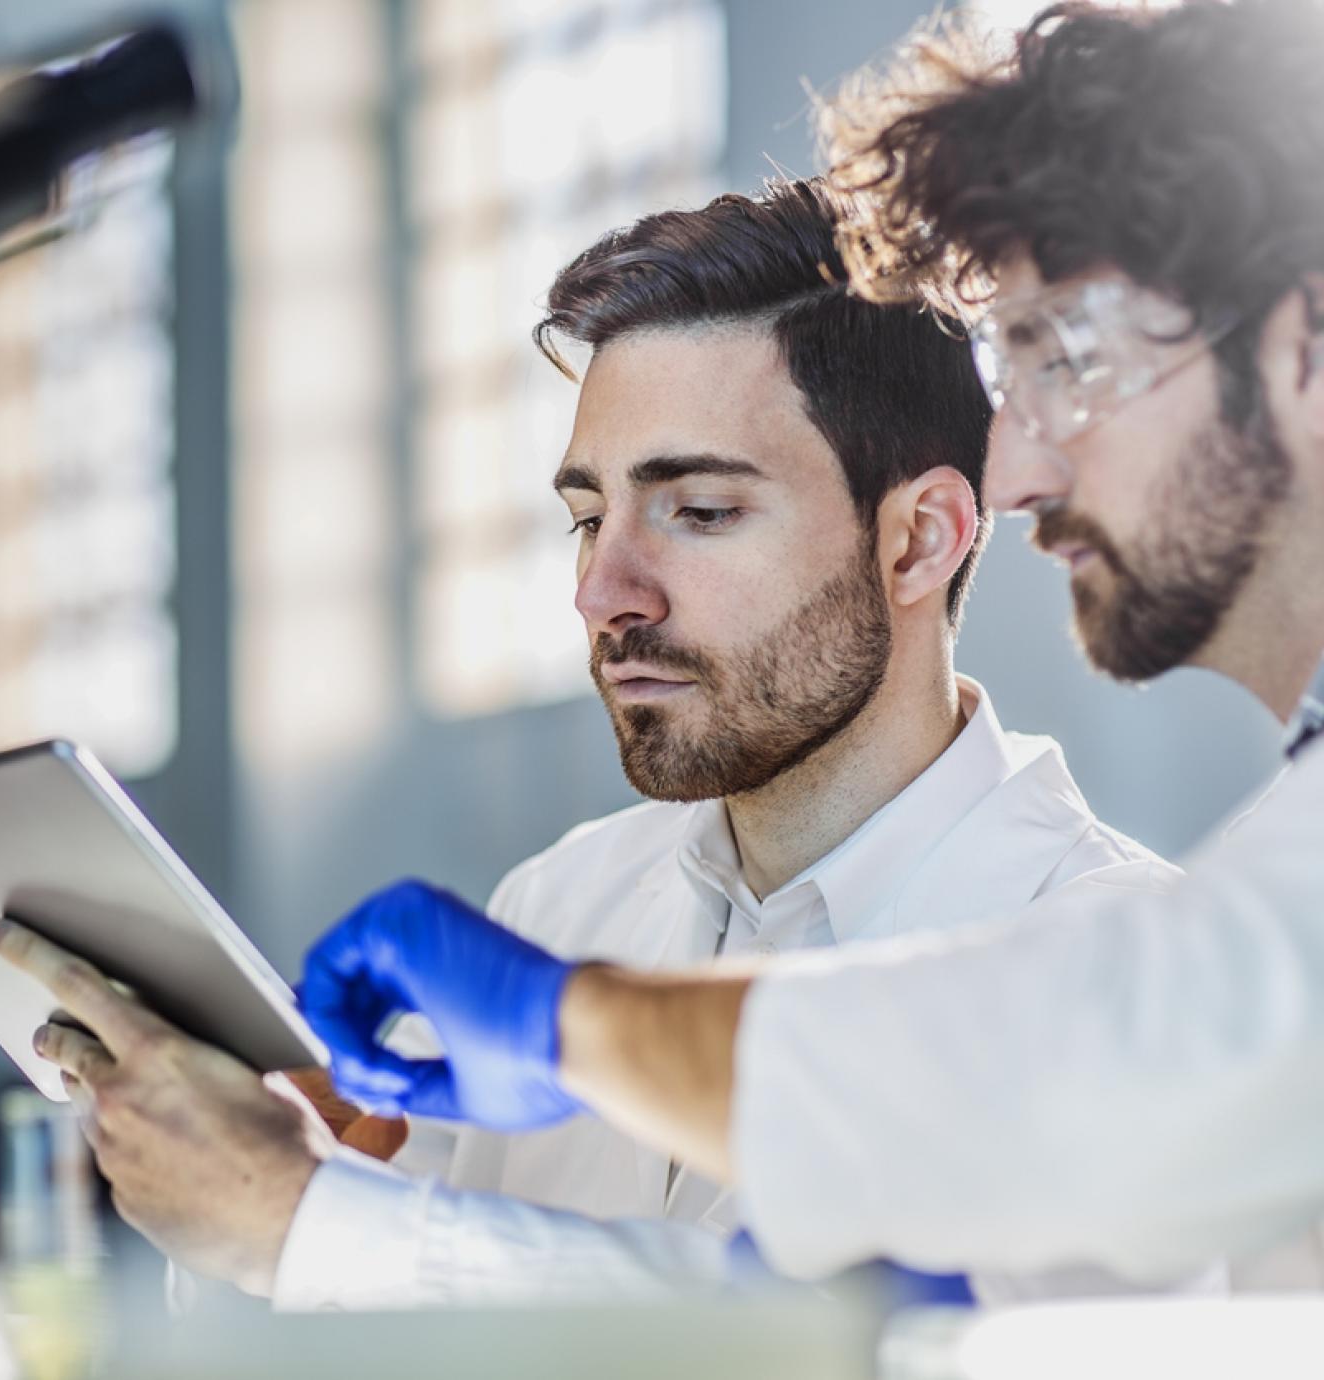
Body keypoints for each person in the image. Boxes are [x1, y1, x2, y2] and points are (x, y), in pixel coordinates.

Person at [0, 178, 1184, 1305]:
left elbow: (926, 1350)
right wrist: (283, 1187)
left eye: (699, 512)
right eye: (585, 517)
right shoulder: (556, 905)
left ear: (919, 541)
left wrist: (310, 1226)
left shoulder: (1127, 973)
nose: (603, 593)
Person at [302, 0, 1324, 1289]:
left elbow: (1102, 1059)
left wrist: (558, 1036)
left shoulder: (1130, 934)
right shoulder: (560, 904)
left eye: (1069, 360)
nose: (1012, 465)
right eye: (585, 516)